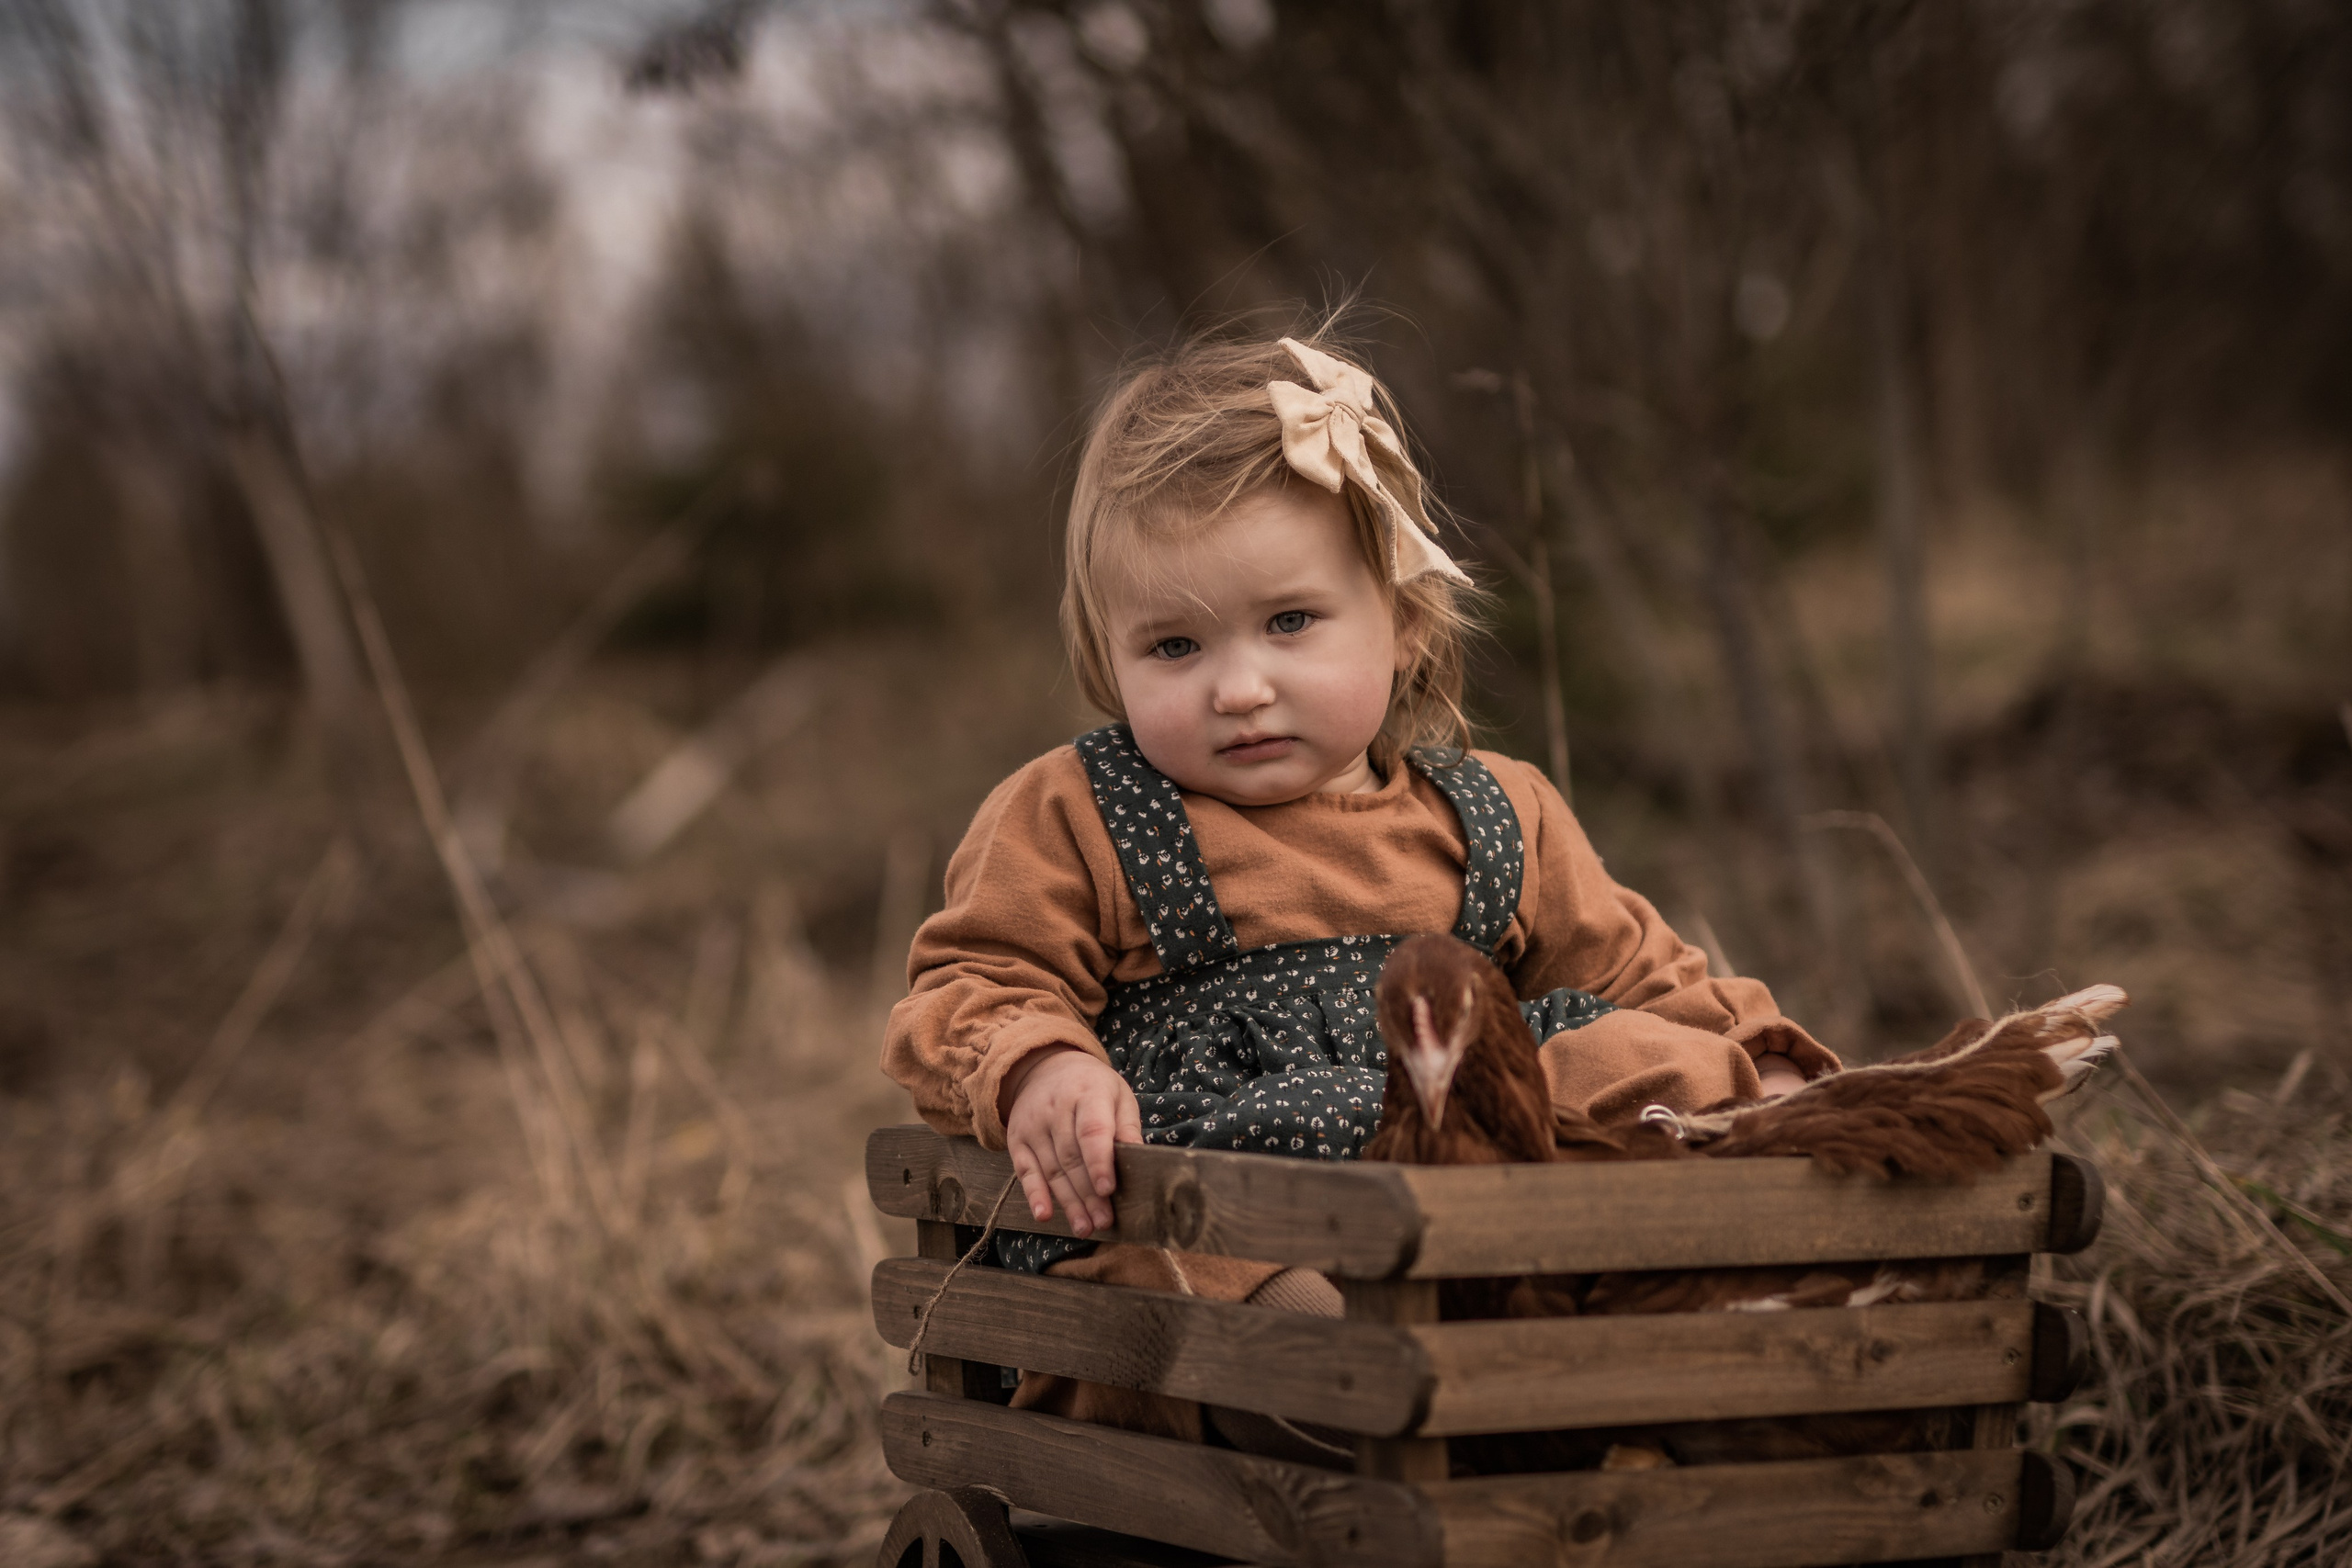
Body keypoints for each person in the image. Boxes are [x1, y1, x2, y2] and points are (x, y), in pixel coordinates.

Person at [881, 329, 1837, 1450]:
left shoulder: (1497, 814)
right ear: (1108, 655)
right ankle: (1391, 1396)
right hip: (1220, 1233)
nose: (1239, 687)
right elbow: (973, 977)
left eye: (1290, 623)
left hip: (1478, 1225)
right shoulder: (1076, 813)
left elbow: (1640, 972)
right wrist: (1041, 1064)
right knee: (1235, 1294)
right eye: (1175, 646)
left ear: (1405, 618)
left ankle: (1654, 1349)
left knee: (1612, 1053)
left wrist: (1753, 1057)